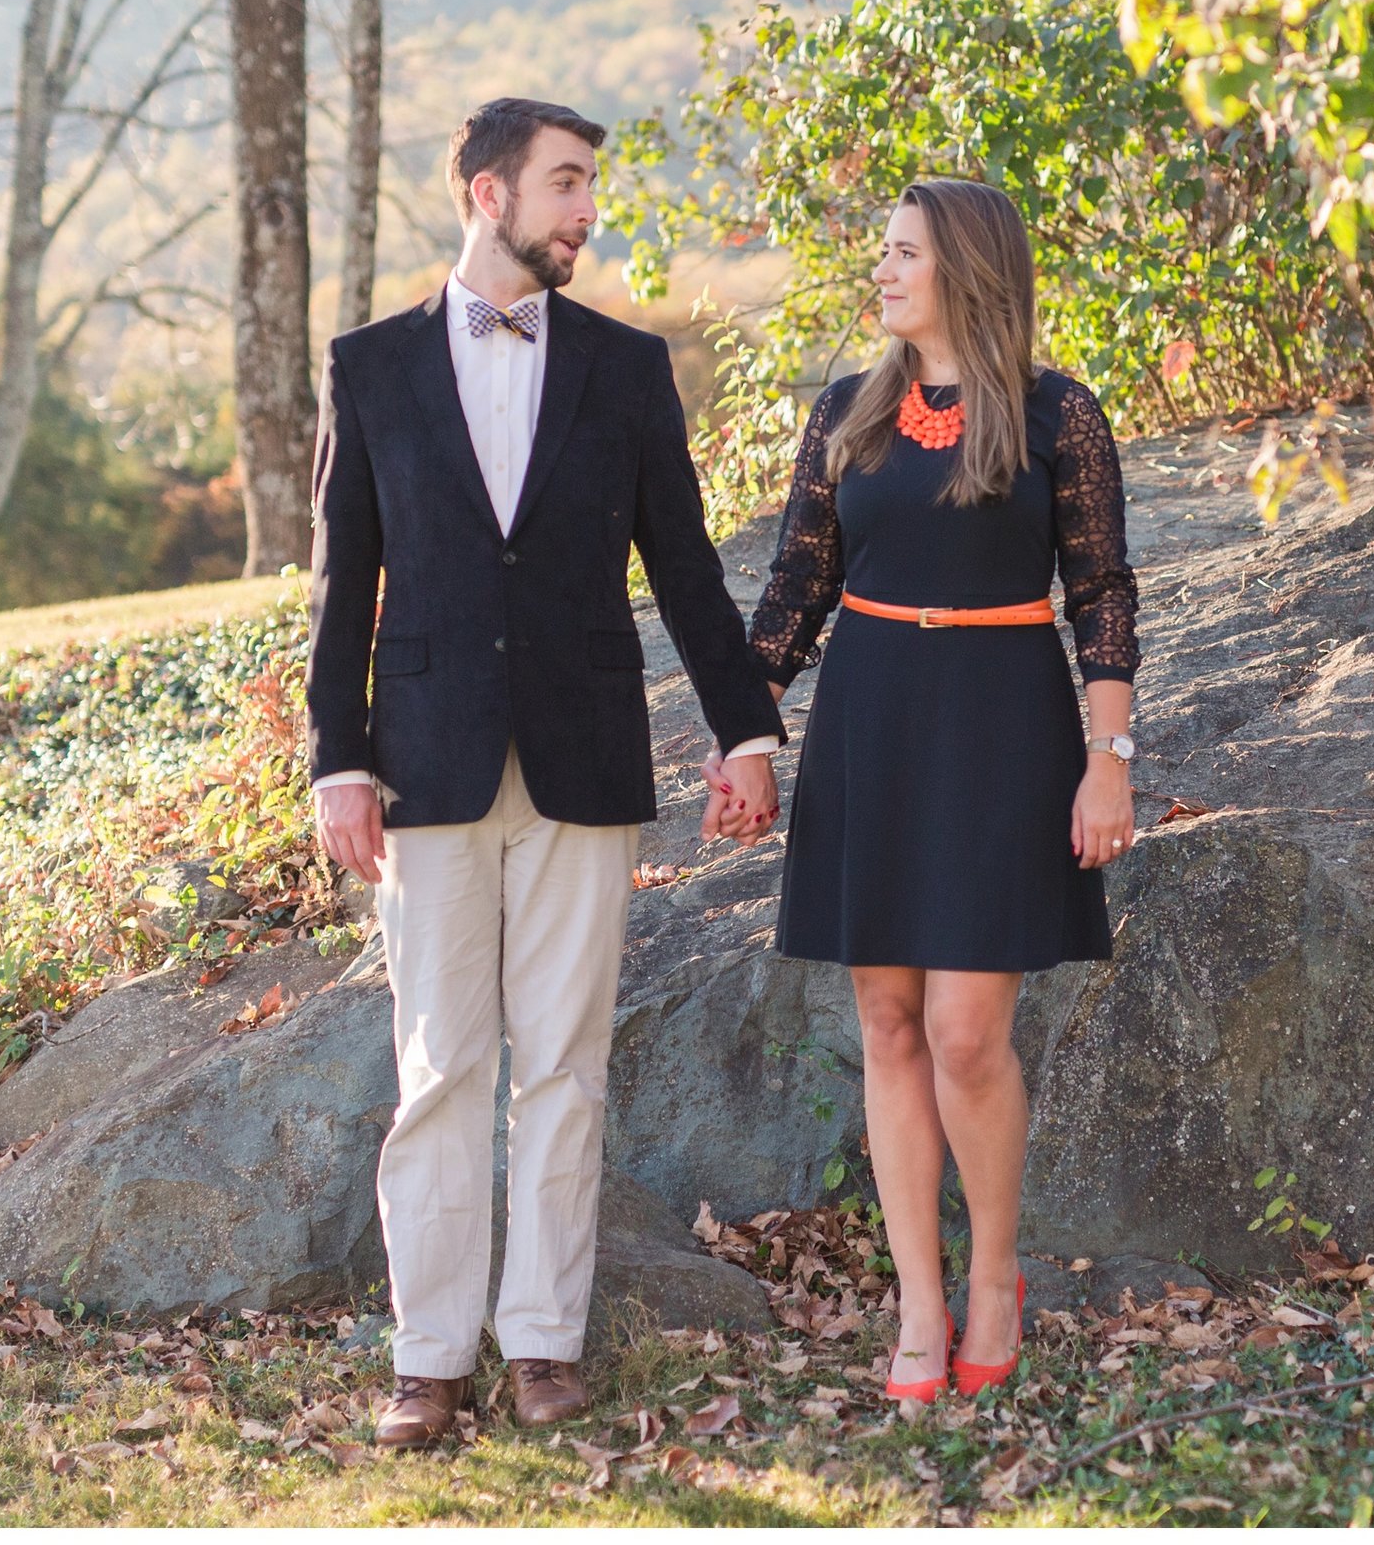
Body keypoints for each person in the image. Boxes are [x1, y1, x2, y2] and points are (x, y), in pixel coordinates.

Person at [306, 97, 786, 1450]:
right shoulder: (370, 367)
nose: (587, 210)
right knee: (442, 1064)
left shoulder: (627, 370)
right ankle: (427, 1357)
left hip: (583, 756)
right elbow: (347, 586)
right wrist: (337, 758)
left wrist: (745, 728)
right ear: (485, 192)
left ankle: (545, 1342)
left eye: (590, 185)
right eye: (566, 183)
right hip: (426, 763)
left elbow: (684, 563)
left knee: (565, 1067)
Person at [719, 177, 1140, 1401]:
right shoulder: (847, 412)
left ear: (965, 265)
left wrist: (1107, 761)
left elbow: (1103, 591)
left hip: (1005, 720)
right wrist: (748, 733)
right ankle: (920, 1300)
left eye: (903, 253)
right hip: (873, 718)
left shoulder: (1060, 412)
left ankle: (996, 1275)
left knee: (966, 1032)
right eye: (882, 254)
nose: (883, 272)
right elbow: (794, 588)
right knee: (889, 1021)